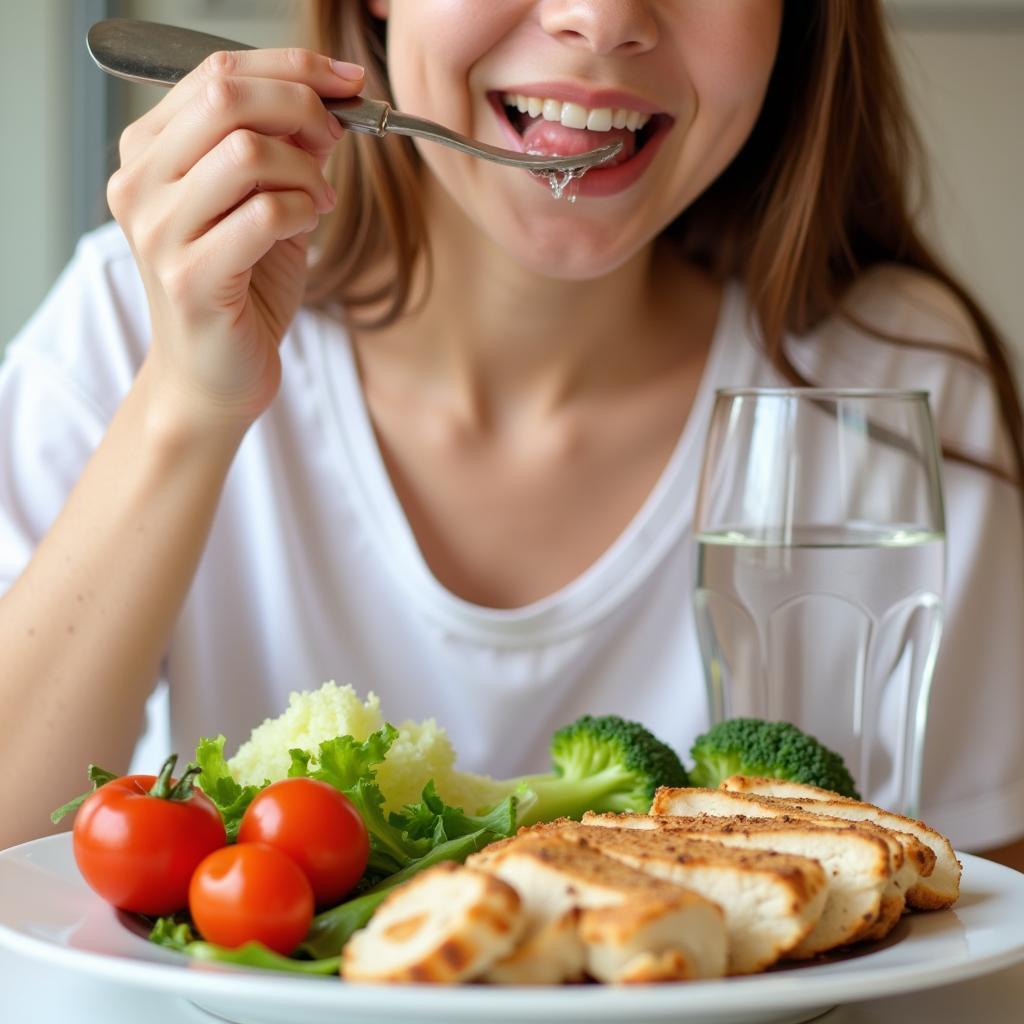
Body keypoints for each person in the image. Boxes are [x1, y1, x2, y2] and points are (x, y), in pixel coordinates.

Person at [1, 1, 1021, 865]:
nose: (603, 17)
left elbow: (975, 931)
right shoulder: (136, 319)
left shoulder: (897, 388)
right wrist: (187, 403)